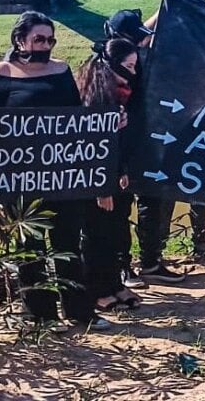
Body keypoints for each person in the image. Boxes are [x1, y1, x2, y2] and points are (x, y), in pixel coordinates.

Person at [0, 11, 110, 330]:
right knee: (28, 247)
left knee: (69, 244)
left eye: (50, 39)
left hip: (62, 175)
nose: (46, 45)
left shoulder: (60, 70)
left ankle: (79, 311)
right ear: (20, 40)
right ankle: (38, 315)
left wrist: (108, 127)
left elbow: (78, 119)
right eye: (39, 39)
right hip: (20, 178)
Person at [105, 5, 185, 285]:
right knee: (120, 207)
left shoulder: (137, 57)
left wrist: (166, 2)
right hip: (120, 145)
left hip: (149, 142)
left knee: (151, 201)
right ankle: (123, 266)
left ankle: (151, 262)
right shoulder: (103, 68)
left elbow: (144, 35)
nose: (140, 43)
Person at [77, 38, 143, 311]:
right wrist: (101, 187)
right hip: (97, 179)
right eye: (129, 66)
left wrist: (123, 171)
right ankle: (97, 290)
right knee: (97, 234)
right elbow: (91, 147)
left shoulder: (123, 91)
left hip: (118, 173)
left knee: (116, 230)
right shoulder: (93, 96)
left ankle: (115, 283)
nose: (134, 73)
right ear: (112, 65)